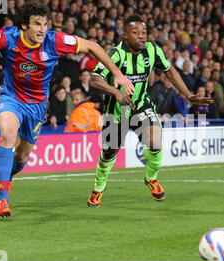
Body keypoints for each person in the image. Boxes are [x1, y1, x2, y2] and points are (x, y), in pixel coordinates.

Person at [0, 0, 134, 217]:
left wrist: (117, 74)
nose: (43, 29)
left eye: (45, 24)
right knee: (7, 135)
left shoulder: (55, 40)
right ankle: (2, 198)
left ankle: (7, 176)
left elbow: (93, 46)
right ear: (24, 25)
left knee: (21, 158)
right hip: (11, 97)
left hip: (37, 105)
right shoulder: (8, 36)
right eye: (37, 24)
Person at [88, 14, 211, 207]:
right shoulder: (114, 54)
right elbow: (94, 79)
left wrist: (187, 94)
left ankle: (151, 178)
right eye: (135, 32)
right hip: (116, 110)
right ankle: (99, 187)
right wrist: (115, 92)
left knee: (155, 138)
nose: (141, 36)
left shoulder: (152, 50)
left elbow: (169, 70)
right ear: (124, 36)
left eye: (144, 32)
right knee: (109, 153)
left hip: (141, 105)